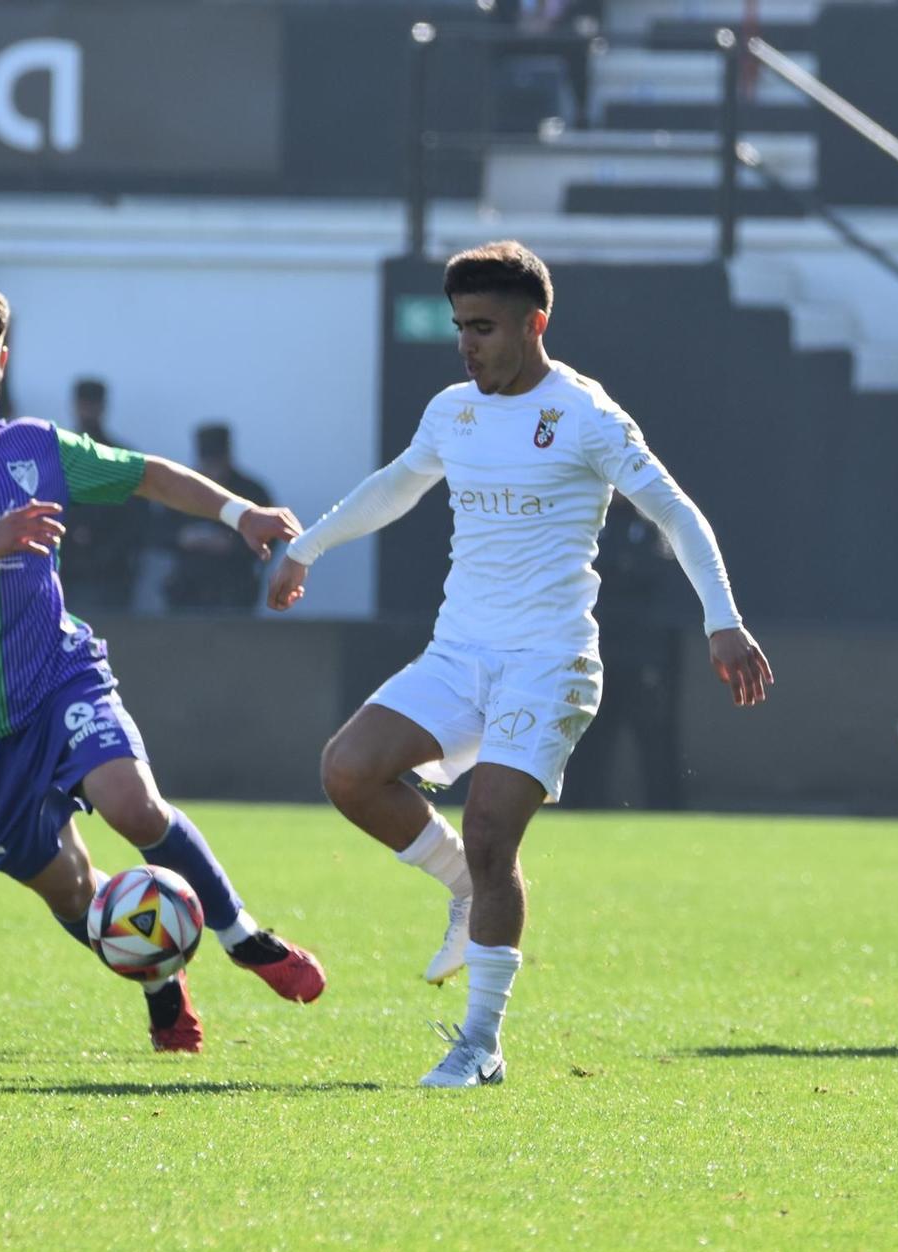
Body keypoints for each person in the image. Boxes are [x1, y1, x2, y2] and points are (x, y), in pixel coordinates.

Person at [267, 241, 774, 1087]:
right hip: (459, 651)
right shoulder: (452, 411)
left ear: (535, 324)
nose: (468, 345)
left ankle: (479, 1042)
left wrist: (724, 620)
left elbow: (677, 514)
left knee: (494, 831)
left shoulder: (587, 416)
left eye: (486, 328)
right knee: (349, 769)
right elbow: (396, 483)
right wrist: (307, 548)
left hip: (550, 661)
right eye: (460, 327)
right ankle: (463, 887)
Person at [0, 278, 325, 1054]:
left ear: (4, 360)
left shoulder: (35, 446)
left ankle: (243, 934)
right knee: (68, 884)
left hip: (62, 674)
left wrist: (241, 514)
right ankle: (161, 981)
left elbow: (148, 474)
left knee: (135, 806)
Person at [558, 494, 687, 810]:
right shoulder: (590, 523)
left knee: (652, 736)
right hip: (594, 653)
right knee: (588, 736)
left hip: (639, 655)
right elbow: (584, 570)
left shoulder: (648, 527)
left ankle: (664, 808)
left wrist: (619, 569)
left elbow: (654, 570)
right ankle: (579, 805)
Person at [55, 377, 149, 614]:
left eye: (92, 405)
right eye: (84, 404)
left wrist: (105, 554)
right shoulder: (55, 455)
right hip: (64, 570)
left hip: (111, 574)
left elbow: (137, 521)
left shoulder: (122, 458)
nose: (88, 411)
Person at [163, 423, 275, 612]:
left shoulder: (252, 492)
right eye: (208, 465)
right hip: (187, 590)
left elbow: (271, 539)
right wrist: (183, 538)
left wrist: (232, 545)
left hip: (235, 589)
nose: (214, 472)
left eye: (217, 464)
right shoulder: (180, 489)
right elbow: (155, 531)